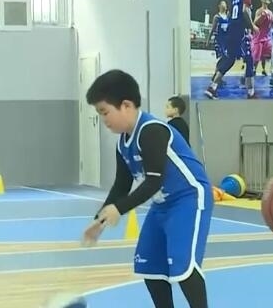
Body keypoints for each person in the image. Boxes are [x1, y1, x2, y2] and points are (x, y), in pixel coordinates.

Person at [83, 70, 213, 308]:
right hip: (162, 204)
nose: (104, 120)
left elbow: (154, 181)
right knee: (149, 265)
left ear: (126, 105)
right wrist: (99, 220)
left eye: (105, 112)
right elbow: (121, 185)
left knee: (183, 266)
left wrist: (119, 209)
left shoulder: (152, 130)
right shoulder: (123, 143)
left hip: (189, 198)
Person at [204, 0, 257, 99]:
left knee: (229, 60)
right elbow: (245, 11)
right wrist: (253, 26)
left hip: (231, 30)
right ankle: (251, 91)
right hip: (240, 31)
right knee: (249, 59)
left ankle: (212, 87)